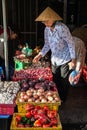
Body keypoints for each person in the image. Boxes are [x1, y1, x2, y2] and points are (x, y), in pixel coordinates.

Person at [33, 6, 76, 102]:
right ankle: (55, 100)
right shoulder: (46, 30)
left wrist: (73, 59)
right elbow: (47, 44)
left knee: (64, 81)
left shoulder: (62, 28)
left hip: (65, 58)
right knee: (55, 80)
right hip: (54, 59)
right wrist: (40, 55)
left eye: (46, 21)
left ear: (53, 19)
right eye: (43, 22)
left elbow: (70, 43)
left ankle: (62, 101)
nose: (45, 23)